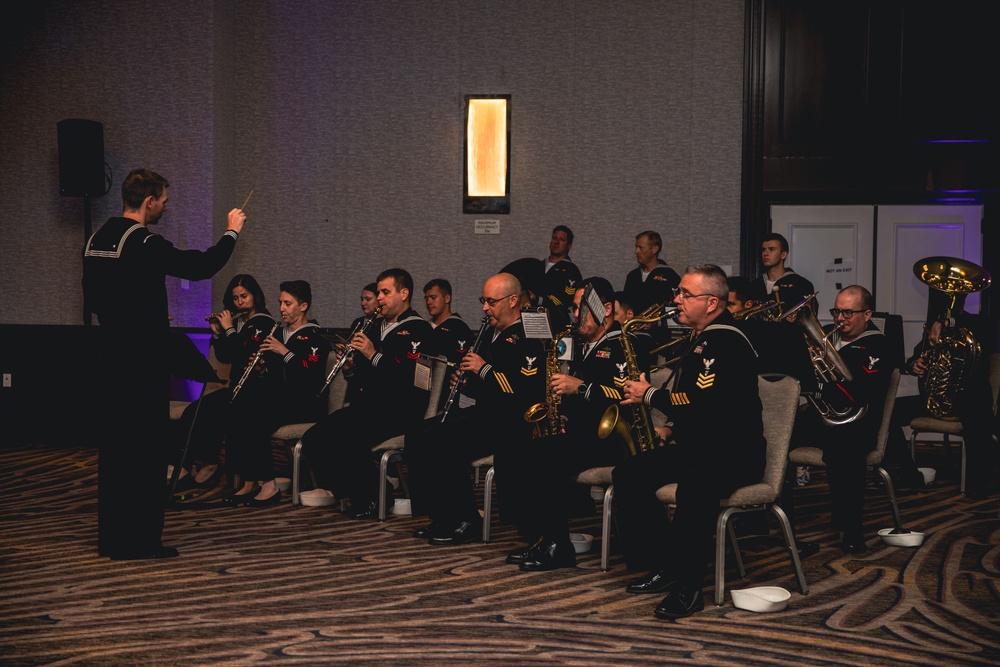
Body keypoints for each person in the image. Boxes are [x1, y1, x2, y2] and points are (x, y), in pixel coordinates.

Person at [83, 167, 246, 560]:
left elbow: (95, 298)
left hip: (110, 358)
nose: (166, 207)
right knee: (145, 452)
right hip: (142, 364)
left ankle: (112, 538)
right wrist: (232, 231)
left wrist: (138, 318)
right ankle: (141, 542)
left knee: (117, 452)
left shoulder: (95, 240)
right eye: (164, 200)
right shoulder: (142, 241)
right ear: (150, 200)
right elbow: (201, 266)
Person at [616, 264, 766, 619]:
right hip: (702, 446)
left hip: (736, 452)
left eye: (685, 294)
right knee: (629, 473)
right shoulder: (702, 337)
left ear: (712, 302)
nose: (676, 299)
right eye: (679, 293)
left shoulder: (725, 340)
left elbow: (705, 405)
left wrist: (650, 395)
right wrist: (667, 423)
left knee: (695, 484)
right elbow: (693, 402)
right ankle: (665, 563)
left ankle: (689, 587)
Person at [506, 277, 649, 571]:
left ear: (606, 309)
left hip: (611, 439)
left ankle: (558, 547)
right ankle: (544, 538)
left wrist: (580, 387)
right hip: (584, 434)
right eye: (573, 308)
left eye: (580, 308)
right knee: (523, 450)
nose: (575, 315)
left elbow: (624, 395)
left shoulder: (624, 344)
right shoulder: (583, 345)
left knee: (544, 457)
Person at [405, 272, 546, 545]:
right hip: (485, 413)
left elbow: (522, 390)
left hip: (511, 420)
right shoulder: (489, 332)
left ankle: (467, 518)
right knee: (419, 433)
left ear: (513, 300)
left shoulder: (530, 334)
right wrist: (466, 381)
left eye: (491, 301)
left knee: (442, 439)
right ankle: (441, 514)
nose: (485, 307)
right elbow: (483, 385)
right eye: (484, 300)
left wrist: (484, 369)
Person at [299, 268, 432, 519]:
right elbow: (363, 377)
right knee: (314, 438)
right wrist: (349, 369)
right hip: (369, 405)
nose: (379, 298)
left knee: (350, 437)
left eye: (385, 292)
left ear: (404, 294)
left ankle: (373, 499)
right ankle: (353, 490)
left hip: (401, 408)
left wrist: (373, 354)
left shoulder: (418, 330)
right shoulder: (372, 326)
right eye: (378, 292)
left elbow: (409, 379)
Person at [786, 285, 893, 553]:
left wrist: (816, 386)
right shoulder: (827, 337)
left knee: (846, 450)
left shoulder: (878, 345)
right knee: (773, 440)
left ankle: (852, 527)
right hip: (821, 418)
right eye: (837, 311)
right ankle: (779, 524)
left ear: (867, 314)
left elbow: (858, 393)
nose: (840, 318)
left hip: (857, 423)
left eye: (848, 312)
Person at [221, 280, 330, 507]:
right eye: (280, 302)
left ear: (303, 306)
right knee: (239, 409)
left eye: (288, 304)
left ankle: (269, 485)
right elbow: (273, 376)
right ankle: (250, 480)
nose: (281, 308)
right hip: (279, 399)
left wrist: (284, 352)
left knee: (256, 416)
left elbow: (309, 379)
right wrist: (261, 368)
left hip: (306, 403)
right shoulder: (277, 332)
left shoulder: (316, 337)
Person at [885, 290, 997, 497]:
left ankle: (976, 486)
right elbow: (914, 358)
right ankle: (909, 473)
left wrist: (947, 324)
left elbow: (987, 343)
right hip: (934, 399)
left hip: (969, 399)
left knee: (979, 421)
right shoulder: (931, 327)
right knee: (886, 414)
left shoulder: (979, 324)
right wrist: (914, 364)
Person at [171, 274, 275, 493]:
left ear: (254, 295)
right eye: (235, 298)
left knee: (216, 412)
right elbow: (226, 356)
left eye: (244, 296)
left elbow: (243, 353)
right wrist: (218, 333)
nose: (239, 302)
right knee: (195, 410)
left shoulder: (264, 322)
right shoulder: (238, 322)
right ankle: (186, 464)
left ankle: (210, 464)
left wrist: (228, 329)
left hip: (254, 392)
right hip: (235, 389)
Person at [423, 278, 476, 411]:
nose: (429, 302)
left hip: (446, 400)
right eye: (426, 298)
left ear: (447, 298)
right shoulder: (422, 327)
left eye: (433, 297)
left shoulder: (459, 329)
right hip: (422, 395)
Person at [746, 233, 816, 313]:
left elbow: (809, 315)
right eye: (763, 250)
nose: (765, 254)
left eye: (771, 249)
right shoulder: (754, 286)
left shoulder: (801, 284)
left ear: (783, 255)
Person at [623, 231, 681, 316]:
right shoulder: (632, 276)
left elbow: (676, 307)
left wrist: (657, 322)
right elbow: (626, 304)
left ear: (654, 249)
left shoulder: (670, 276)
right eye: (636, 247)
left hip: (660, 328)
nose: (636, 251)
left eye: (641, 248)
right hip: (633, 327)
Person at [345, 283, 379, 405]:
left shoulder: (382, 325)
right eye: (361, 299)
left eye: (368, 299)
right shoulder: (358, 322)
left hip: (373, 386)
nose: (363, 303)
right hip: (355, 384)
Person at [540, 225, 583, 314]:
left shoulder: (571, 271)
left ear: (569, 246)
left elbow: (568, 301)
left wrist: (540, 300)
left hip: (557, 319)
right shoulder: (538, 266)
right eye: (554, 238)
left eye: (562, 240)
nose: (556, 242)